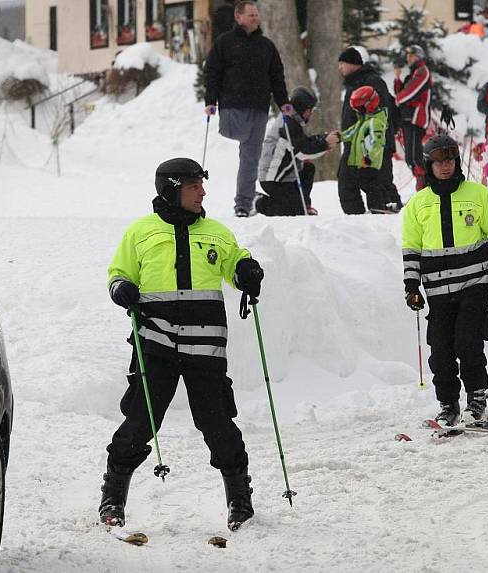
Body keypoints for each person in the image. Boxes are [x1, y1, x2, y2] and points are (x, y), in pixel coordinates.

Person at [100, 158, 264, 531]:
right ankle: (112, 498)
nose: (202, 193)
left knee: (217, 422)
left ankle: (239, 500)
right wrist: (120, 288)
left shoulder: (217, 232)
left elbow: (235, 263)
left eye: (201, 186)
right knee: (141, 420)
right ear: (171, 189)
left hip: (205, 349)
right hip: (155, 344)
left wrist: (246, 270)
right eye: (193, 186)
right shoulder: (140, 232)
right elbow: (118, 273)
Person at [401, 134, 488, 428]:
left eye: (449, 160)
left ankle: (477, 404)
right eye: (438, 162)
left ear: (456, 162)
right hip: (437, 290)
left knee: (468, 343)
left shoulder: (478, 195)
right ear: (428, 166)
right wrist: (411, 286)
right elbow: (411, 248)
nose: (445, 167)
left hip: (474, 284)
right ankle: (448, 405)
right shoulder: (417, 204)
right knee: (441, 351)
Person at [204, 0, 292, 217]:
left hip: (259, 107)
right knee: (237, 135)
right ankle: (244, 198)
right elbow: (212, 72)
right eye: (251, 15)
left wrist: (283, 102)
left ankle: (243, 203)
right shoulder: (225, 42)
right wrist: (210, 100)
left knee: (251, 158)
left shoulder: (266, 46)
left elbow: (276, 77)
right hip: (232, 104)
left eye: (256, 15)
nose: (255, 18)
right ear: (238, 17)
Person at [255, 86, 338, 216]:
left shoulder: (292, 121)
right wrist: (326, 144)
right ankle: (258, 203)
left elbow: (304, 142)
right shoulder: (287, 125)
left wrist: (324, 138)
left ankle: (304, 204)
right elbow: (304, 151)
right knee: (294, 211)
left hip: (286, 175)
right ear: (302, 109)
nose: (310, 114)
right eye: (309, 110)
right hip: (273, 179)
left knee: (308, 168)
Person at [338, 46, 402, 214]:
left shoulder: (372, 81)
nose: (340, 68)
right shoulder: (354, 83)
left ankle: (392, 212)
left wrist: (372, 144)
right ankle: (357, 218)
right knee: (348, 181)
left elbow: (379, 115)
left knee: (379, 181)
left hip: (374, 145)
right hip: (355, 142)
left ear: (352, 64)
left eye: (342, 64)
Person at [338, 86, 390, 213]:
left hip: (369, 162)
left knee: (370, 185)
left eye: (359, 108)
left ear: (369, 104)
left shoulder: (376, 122)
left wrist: (370, 157)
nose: (357, 111)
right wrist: (340, 137)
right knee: (366, 183)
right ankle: (378, 206)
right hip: (361, 162)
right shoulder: (364, 120)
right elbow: (352, 132)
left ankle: (378, 207)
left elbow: (378, 143)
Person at [394, 45, 432, 191]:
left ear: (419, 56)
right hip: (408, 118)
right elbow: (403, 91)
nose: (409, 58)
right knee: (410, 158)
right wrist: (397, 78)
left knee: (415, 157)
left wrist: (398, 99)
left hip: (416, 118)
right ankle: (423, 187)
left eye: (412, 55)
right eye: (408, 55)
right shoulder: (414, 73)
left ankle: (427, 187)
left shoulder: (422, 71)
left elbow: (411, 91)